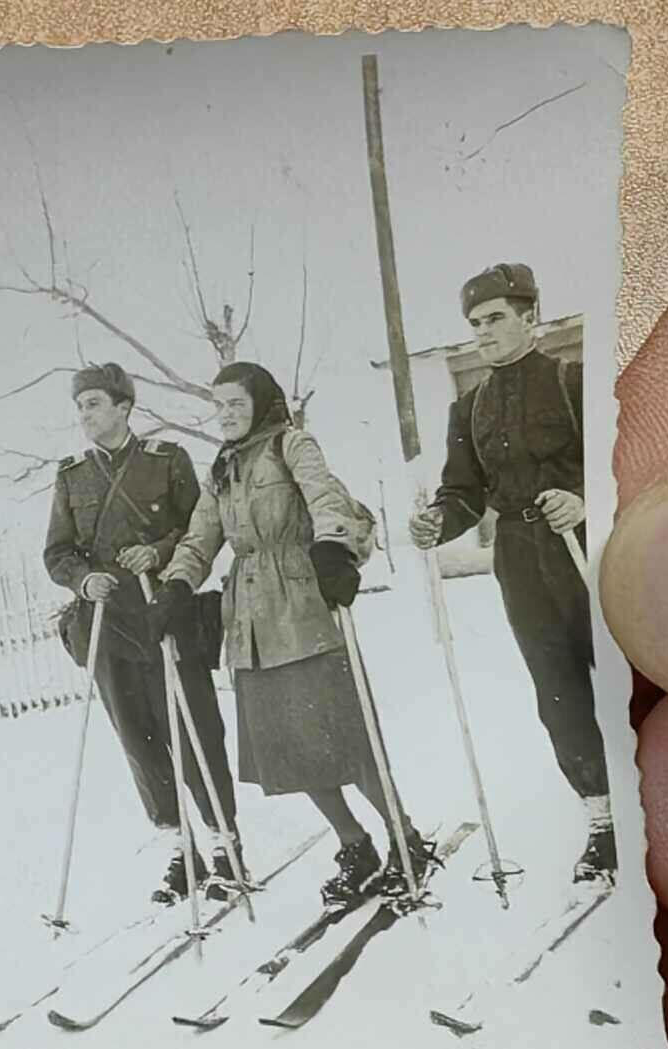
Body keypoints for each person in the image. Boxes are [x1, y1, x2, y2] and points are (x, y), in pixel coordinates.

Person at [147, 361, 433, 908]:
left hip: (303, 606)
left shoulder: (292, 445)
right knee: (288, 749)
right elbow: (201, 535)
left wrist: (331, 550)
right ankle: (355, 844)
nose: (226, 414)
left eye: (235, 402)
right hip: (250, 622)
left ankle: (405, 839)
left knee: (344, 737)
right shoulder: (221, 468)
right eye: (219, 405)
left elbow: (325, 499)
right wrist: (176, 586)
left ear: (260, 402)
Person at [409, 263, 615, 884]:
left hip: (588, 545)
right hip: (521, 558)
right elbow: (465, 491)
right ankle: (603, 823)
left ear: (531, 317)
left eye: (496, 318)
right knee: (557, 690)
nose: (483, 332)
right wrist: (438, 521)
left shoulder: (573, 379)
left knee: (623, 676)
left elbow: (618, 458)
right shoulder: (469, 409)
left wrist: (582, 497)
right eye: (475, 324)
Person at [44, 362, 245, 906]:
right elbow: (57, 553)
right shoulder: (71, 477)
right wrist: (84, 580)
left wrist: (157, 553)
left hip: (164, 614)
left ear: (124, 407)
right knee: (139, 740)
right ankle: (181, 851)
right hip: (107, 626)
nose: (84, 415)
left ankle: (226, 846)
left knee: (195, 730)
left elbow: (204, 529)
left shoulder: (168, 460)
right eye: (80, 406)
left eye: (93, 404)